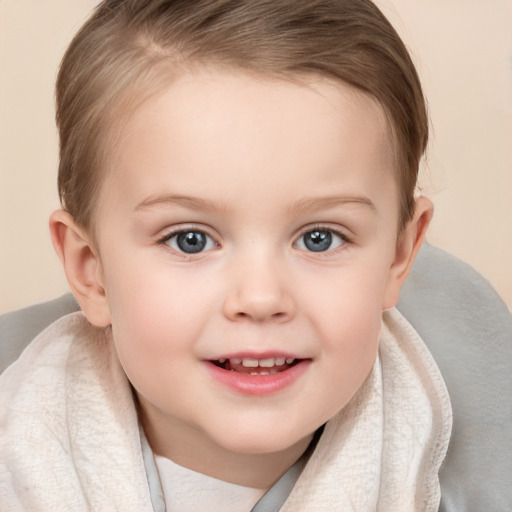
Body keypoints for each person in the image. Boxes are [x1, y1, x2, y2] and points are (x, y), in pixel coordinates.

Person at [0, 1, 453, 510]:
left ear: (399, 256)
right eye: (189, 239)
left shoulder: (478, 461)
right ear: (92, 270)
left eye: (319, 237)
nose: (260, 298)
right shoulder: (20, 455)